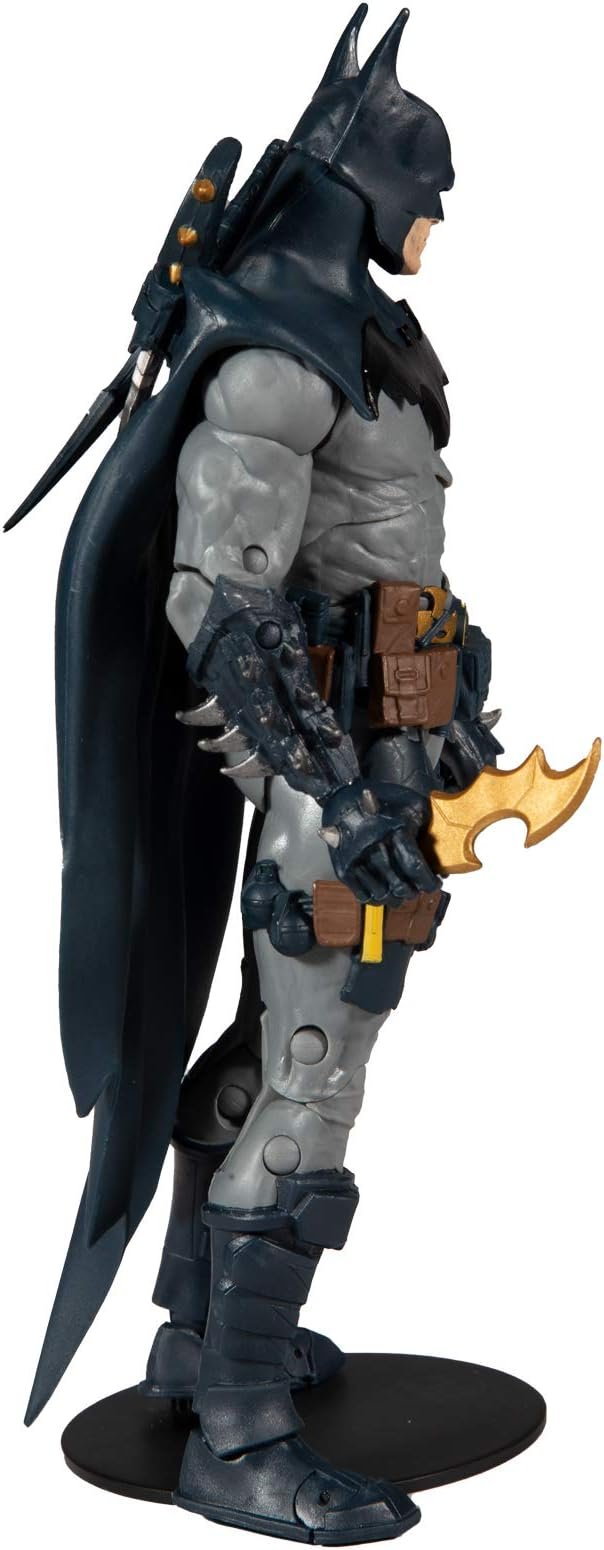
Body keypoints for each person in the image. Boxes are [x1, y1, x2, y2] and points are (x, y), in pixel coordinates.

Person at [17, 8, 500, 1541]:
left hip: (382, 757)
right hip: (328, 790)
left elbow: (382, 566)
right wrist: (342, 796)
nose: (435, 223)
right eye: (426, 192)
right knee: (311, 1078)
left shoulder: (354, 338)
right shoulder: (280, 361)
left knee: (271, 1047)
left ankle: (196, 1337)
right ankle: (238, 1432)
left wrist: (448, 705)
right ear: (374, 186)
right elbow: (220, 610)